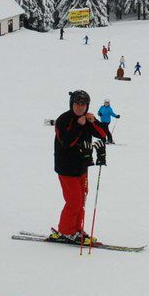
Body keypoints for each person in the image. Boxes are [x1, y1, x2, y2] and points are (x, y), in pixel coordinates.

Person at [50, 90, 107, 245]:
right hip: (66, 168)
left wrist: (93, 121)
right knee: (74, 201)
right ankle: (66, 231)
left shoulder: (87, 119)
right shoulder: (63, 120)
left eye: (83, 104)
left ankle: (76, 229)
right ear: (71, 104)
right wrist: (78, 125)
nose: (80, 107)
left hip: (82, 167)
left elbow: (103, 134)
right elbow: (66, 142)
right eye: (77, 104)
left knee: (81, 199)